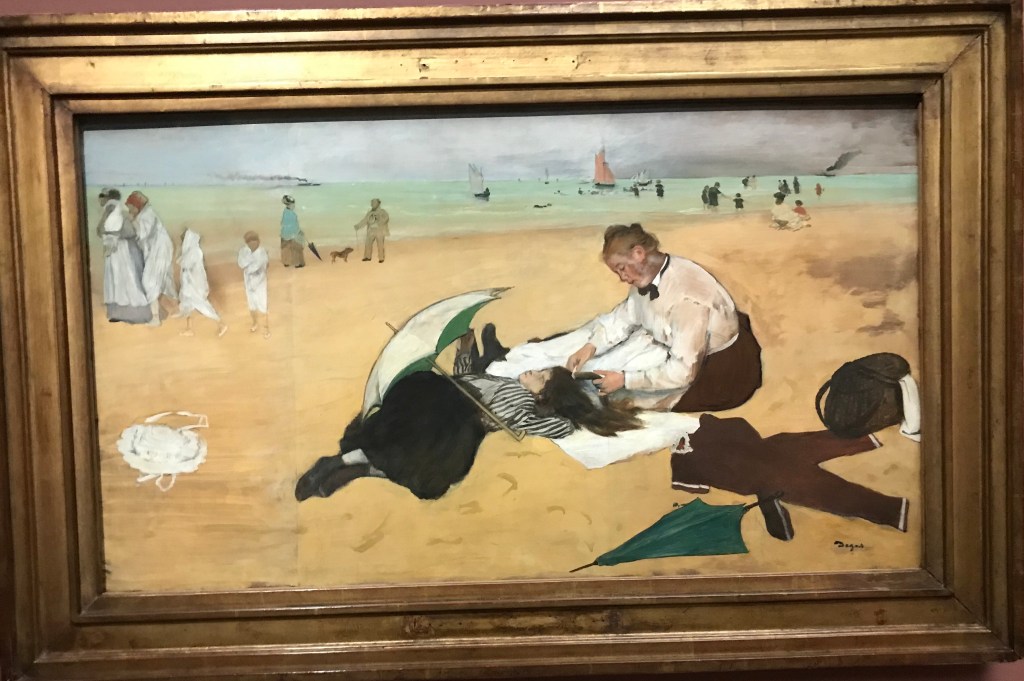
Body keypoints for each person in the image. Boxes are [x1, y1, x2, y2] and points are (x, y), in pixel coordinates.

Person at [294, 362, 642, 502]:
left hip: (457, 414)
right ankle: (348, 464)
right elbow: (473, 381)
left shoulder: (525, 402)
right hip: (448, 404)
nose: (531, 371)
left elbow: (552, 425)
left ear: (544, 394)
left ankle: (352, 465)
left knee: (426, 463)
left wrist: (562, 411)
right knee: (417, 450)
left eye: (539, 376)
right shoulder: (511, 386)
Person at [558, 223, 761, 412]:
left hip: (718, 371)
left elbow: (683, 372)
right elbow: (625, 316)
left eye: (621, 268)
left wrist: (625, 380)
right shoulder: (650, 274)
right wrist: (591, 346)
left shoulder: (687, 296)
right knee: (600, 370)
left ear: (638, 253)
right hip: (683, 350)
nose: (622, 278)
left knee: (616, 402)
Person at [96, 188, 151, 324]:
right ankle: (123, 313)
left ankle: (127, 313)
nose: (100, 199)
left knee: (121, 278)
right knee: (121, 278)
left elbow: (102, 230)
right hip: (118, 249)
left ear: (108, 198)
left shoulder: (113, 209)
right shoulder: (117, 211)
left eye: (102, 196)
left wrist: (111, 235)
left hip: (119, 250)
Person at [126, 191, 177, 326]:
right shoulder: (144, 215)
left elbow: (141, 234)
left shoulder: (146, 216)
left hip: (159, 252)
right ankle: (159, 312)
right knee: (156, 283)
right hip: (158, 251)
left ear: (136, 206)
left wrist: (131, 223)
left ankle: (155, 318)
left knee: (149, 283)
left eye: (131, 208)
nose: (130, 211)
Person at [177, 228, 227, 338]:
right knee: (187, 305)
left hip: (195, 284)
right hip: (190, 283)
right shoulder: (191, 251)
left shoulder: (195, 252)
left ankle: (221, 323)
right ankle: (189, 328)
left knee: (202, 306)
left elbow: (186, 264)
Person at [237, 230, 270, 339]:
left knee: (263, 306)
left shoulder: (262, 252)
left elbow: (256, 266)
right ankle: (255, 323)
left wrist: (248, 264)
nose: (252, 245)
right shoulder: (243, 251)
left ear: (258, 241)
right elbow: (241, 264)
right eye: (250, 243)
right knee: (251, 305)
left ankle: (266, 328)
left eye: (254, 242)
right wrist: (249, 264)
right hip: (248, 282)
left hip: (260, 283)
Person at [353, 198, 390, 263]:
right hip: (371, 230)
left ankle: (381, 258)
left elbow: (386, 219)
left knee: (380, 244)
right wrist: (358, 226)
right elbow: (365, 220)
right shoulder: (369, 213)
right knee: (368, 243)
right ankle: (367, 257)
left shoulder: (383, 211)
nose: (372, 205)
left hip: (379, 230)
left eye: (374, 203)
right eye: (372, 203)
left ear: (378, 204)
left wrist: (379, 220)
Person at [279, 195, 305, 268]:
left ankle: (286, 262)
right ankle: (298, 263)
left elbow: (283, 223)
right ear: (289, 205)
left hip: (284, 234)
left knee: (286, 248)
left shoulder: (285, 212)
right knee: (296, 248)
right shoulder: (292, 214)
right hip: (292, 234)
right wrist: (299, 232)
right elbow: (294, 226)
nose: (294, 206)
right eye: (293, 204)